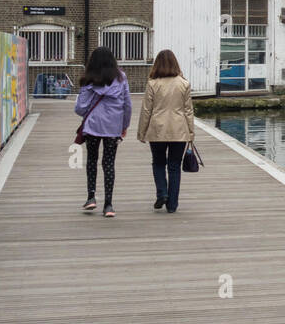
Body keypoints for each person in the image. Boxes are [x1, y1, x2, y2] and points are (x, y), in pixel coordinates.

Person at [74, 46, 132, 217]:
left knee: (92, 160)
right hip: (113, 127)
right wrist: (124, 125)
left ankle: (91, 197)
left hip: (93, 126)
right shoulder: (121, 79)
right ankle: (108, 205)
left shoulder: (88, 80)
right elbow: (127, 105)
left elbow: (80, 108)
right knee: (109, 163)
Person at [137, 49, 195, 214]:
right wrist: (191, 133)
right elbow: (188, 111)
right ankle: (172, 204)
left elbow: (146, 110)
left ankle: (162, 192)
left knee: (158, 163)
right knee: (174, 166)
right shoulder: (184, 84)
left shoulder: (153, 84)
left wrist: (142, 132)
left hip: (157, 129)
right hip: (179, 130)